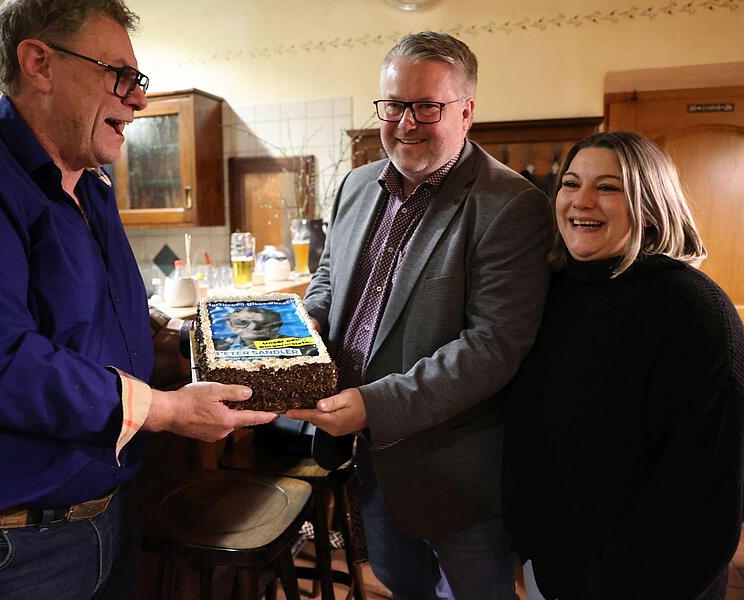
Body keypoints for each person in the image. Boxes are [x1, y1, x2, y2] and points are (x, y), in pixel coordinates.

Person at [0, 1, 276, 598]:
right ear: (39, 63)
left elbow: (108, 318)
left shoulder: (91, 180)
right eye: (119, 75)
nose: (139, 99)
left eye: (137, 79)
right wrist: (168, 411)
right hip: (7, 548)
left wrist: (203, 343)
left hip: (107, 517)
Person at [286, 31, 551, 600]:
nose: (406, 123)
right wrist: (305, 329)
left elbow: (493, 346)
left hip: (455, 467)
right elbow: (329, 278)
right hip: (367, 455)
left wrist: (374, 406)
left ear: (466, 111)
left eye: (427, 106)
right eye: (394, 105)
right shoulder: (357, 184)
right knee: (400, 583)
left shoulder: (512, 204)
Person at [502, 131, 744, 600]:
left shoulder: (695, 310)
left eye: (608, 187)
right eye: (570, 183)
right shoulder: (549, 291)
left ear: (650, 204)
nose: (581, 201)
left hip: (651, 582)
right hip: (552, 568)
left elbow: (704, 494)